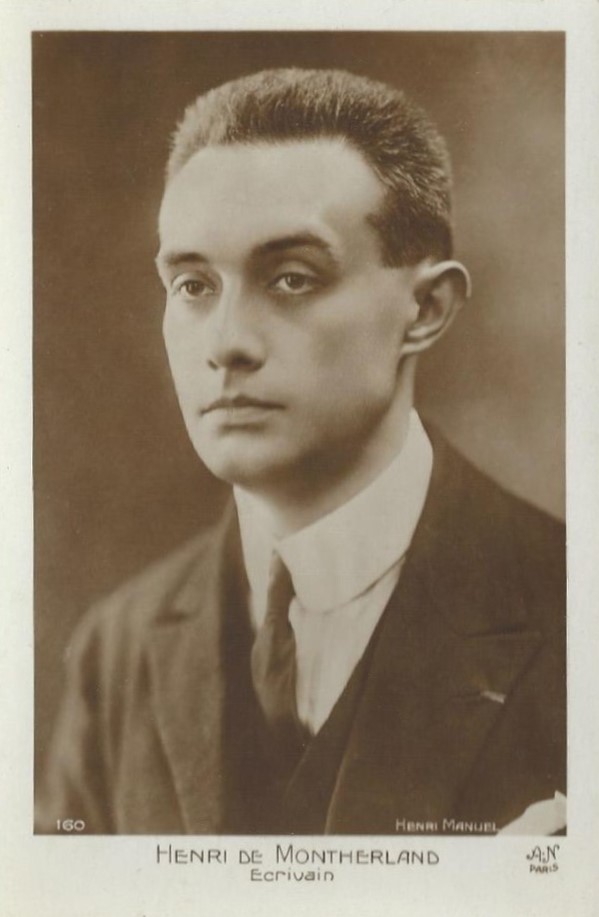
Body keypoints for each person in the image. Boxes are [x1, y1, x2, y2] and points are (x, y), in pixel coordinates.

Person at [36, 68, 566, 836]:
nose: (226, 343)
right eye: (192, 286)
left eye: (290, 278)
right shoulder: (115, 649)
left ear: (425, 308)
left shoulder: (569, 608)